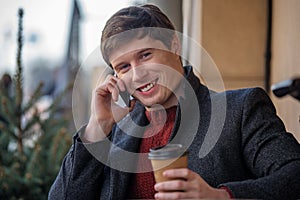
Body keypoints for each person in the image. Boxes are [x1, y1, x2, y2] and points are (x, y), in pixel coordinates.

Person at [49, 4, 300, 200]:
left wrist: (221, 196)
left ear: (175, 46)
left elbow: (293, 175)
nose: (137, 74)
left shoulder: (241, 108)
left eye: (145, 55)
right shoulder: (112, 136)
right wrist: (97, 127)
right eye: (124, 67)